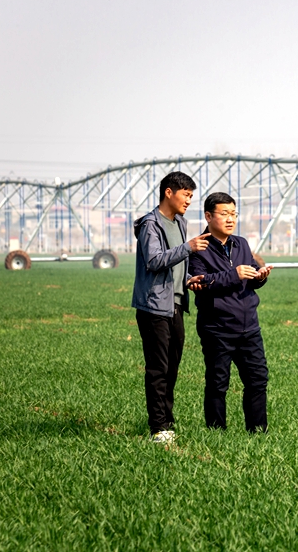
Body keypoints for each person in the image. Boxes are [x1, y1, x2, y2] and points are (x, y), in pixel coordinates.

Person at [132, 171, 210, 443]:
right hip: (154, 306)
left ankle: (167, 419)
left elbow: (175, 264)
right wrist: (189, 248)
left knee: (172, 366)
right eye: (186, 195)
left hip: (176, 303)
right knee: (158, 367)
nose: (189, 201)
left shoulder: (180, 223)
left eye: (191, 196)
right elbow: (154, 260)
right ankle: (158, 427)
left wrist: (189, 279)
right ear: (169, 192)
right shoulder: (149, 225)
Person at [188, 192, 272, 433]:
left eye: (234, 214)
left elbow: (251, 276)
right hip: (217, 328)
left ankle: (257, 432)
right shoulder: (197, 248)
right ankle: (216, 433)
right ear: (208, 216)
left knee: (257, 381)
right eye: (224, 214)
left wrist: (260, 276)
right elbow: (201, 282)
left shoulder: (241, 243)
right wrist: (234, 274)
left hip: (249, 327)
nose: (230, 219)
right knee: (217, 383)